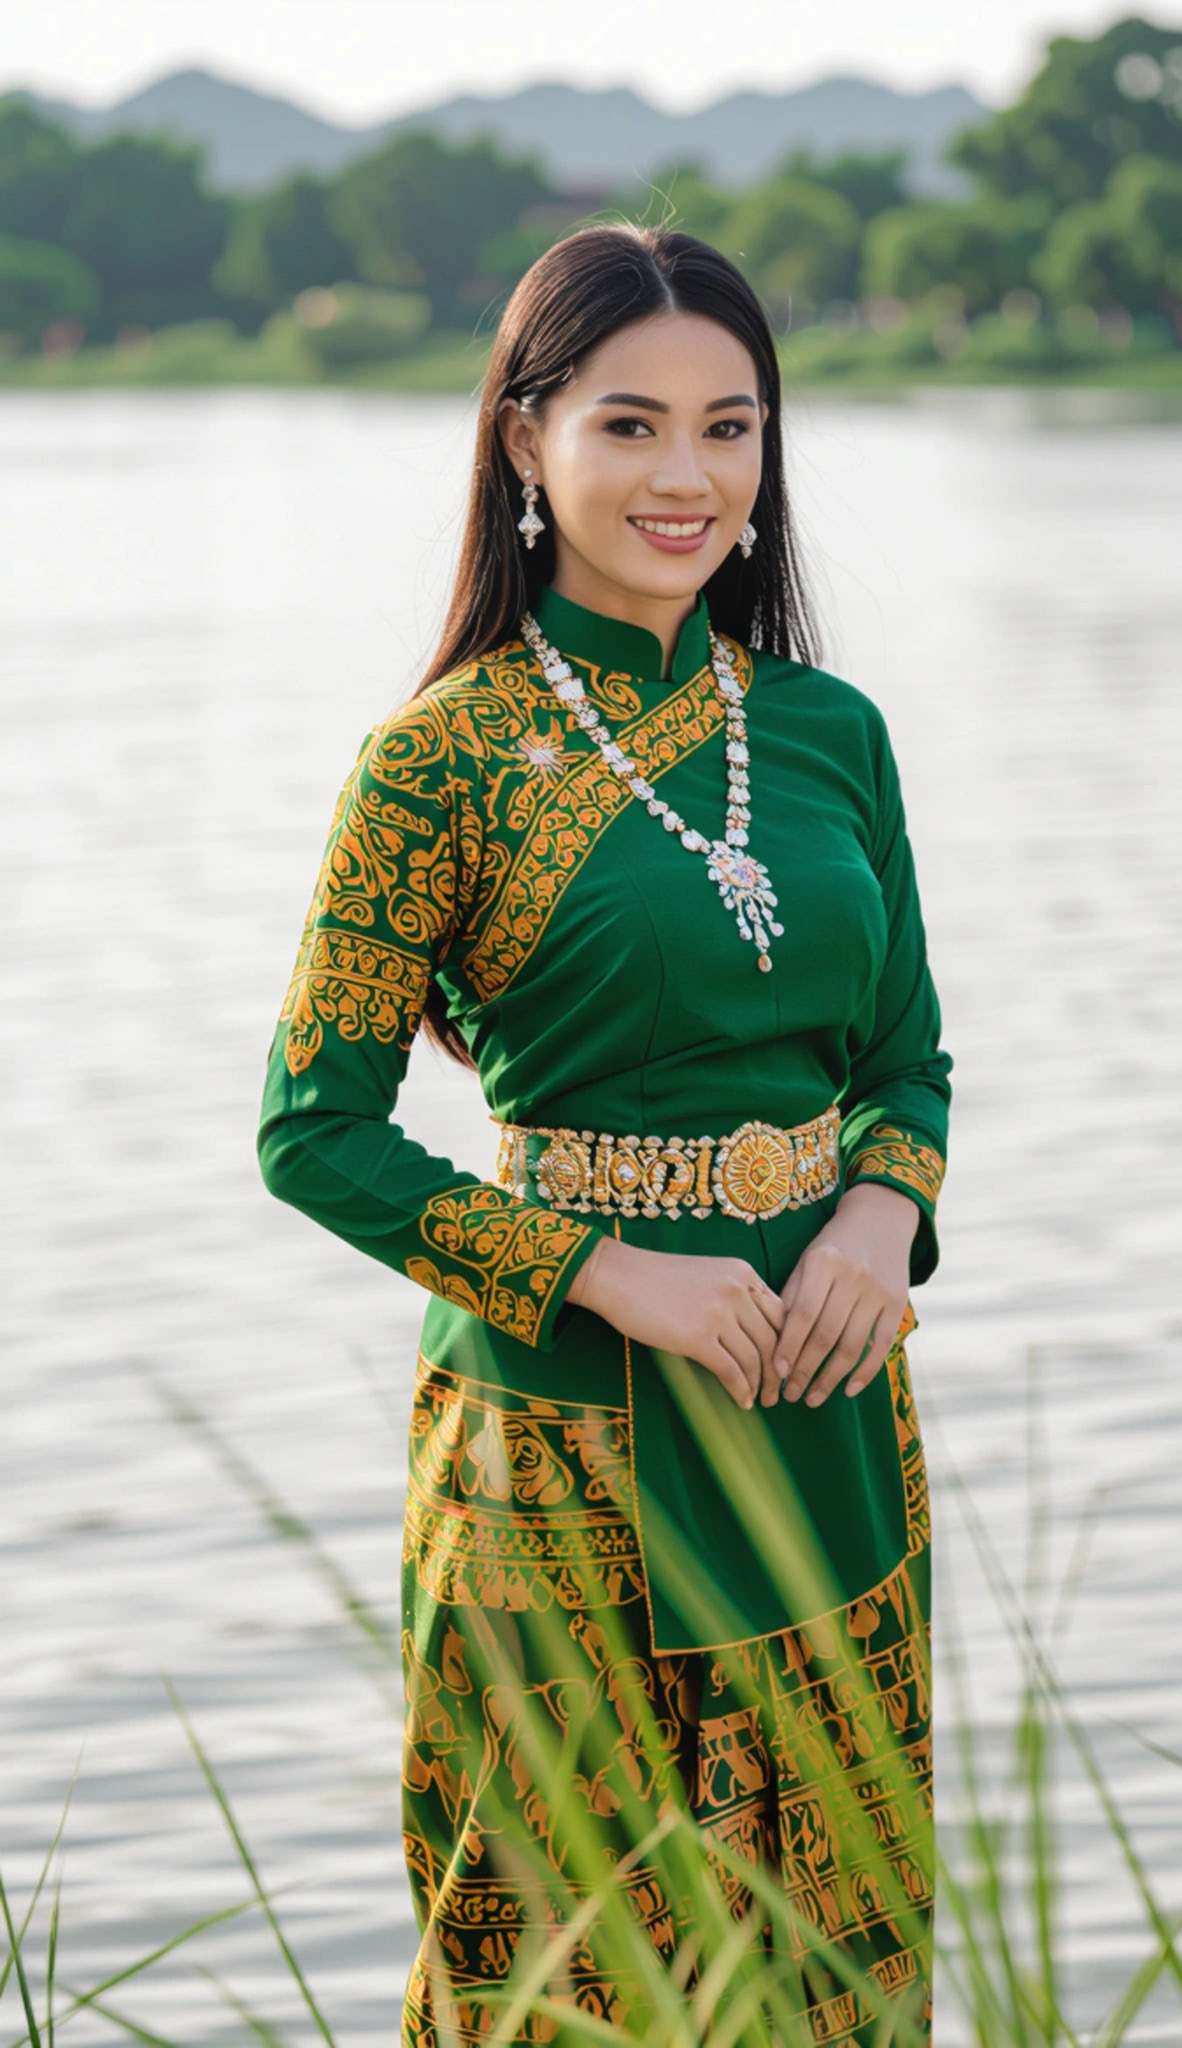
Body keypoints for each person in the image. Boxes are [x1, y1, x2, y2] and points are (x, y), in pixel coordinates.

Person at [258, 220, 952, 2047]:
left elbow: (907, 1061)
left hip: (823, 1405)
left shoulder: (830, 733)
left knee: (837, 1962)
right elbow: (311, 1133)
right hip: (560, 1444)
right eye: (631, 425)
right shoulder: (440, 761)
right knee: (570, 1975)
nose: (687, 477)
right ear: (525, 439)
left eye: (731, 428)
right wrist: (602, 1271)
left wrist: (882, 1223)